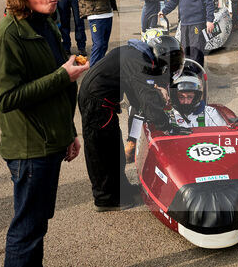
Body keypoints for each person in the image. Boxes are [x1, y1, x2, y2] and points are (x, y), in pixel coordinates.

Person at [0, 0, 88, 267]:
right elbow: (7, 97)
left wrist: (69, 133)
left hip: (50, 139)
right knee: (26, 227)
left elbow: (55, 83)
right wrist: (63, 75)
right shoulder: (6, 37)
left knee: (39, 220)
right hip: (28, 146)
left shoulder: (45, 23)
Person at [78, 35, 185, 212]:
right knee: (102, 151)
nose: (171, 68)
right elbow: (147, 100)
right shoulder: (140, 63)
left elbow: (137, 95)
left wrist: (154, 92)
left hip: (102, 101)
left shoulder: (138, 54)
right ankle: (105, 199)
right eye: (171, 64)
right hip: (96, 103)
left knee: (115, 149)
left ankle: (121, 188)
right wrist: (167, 126)